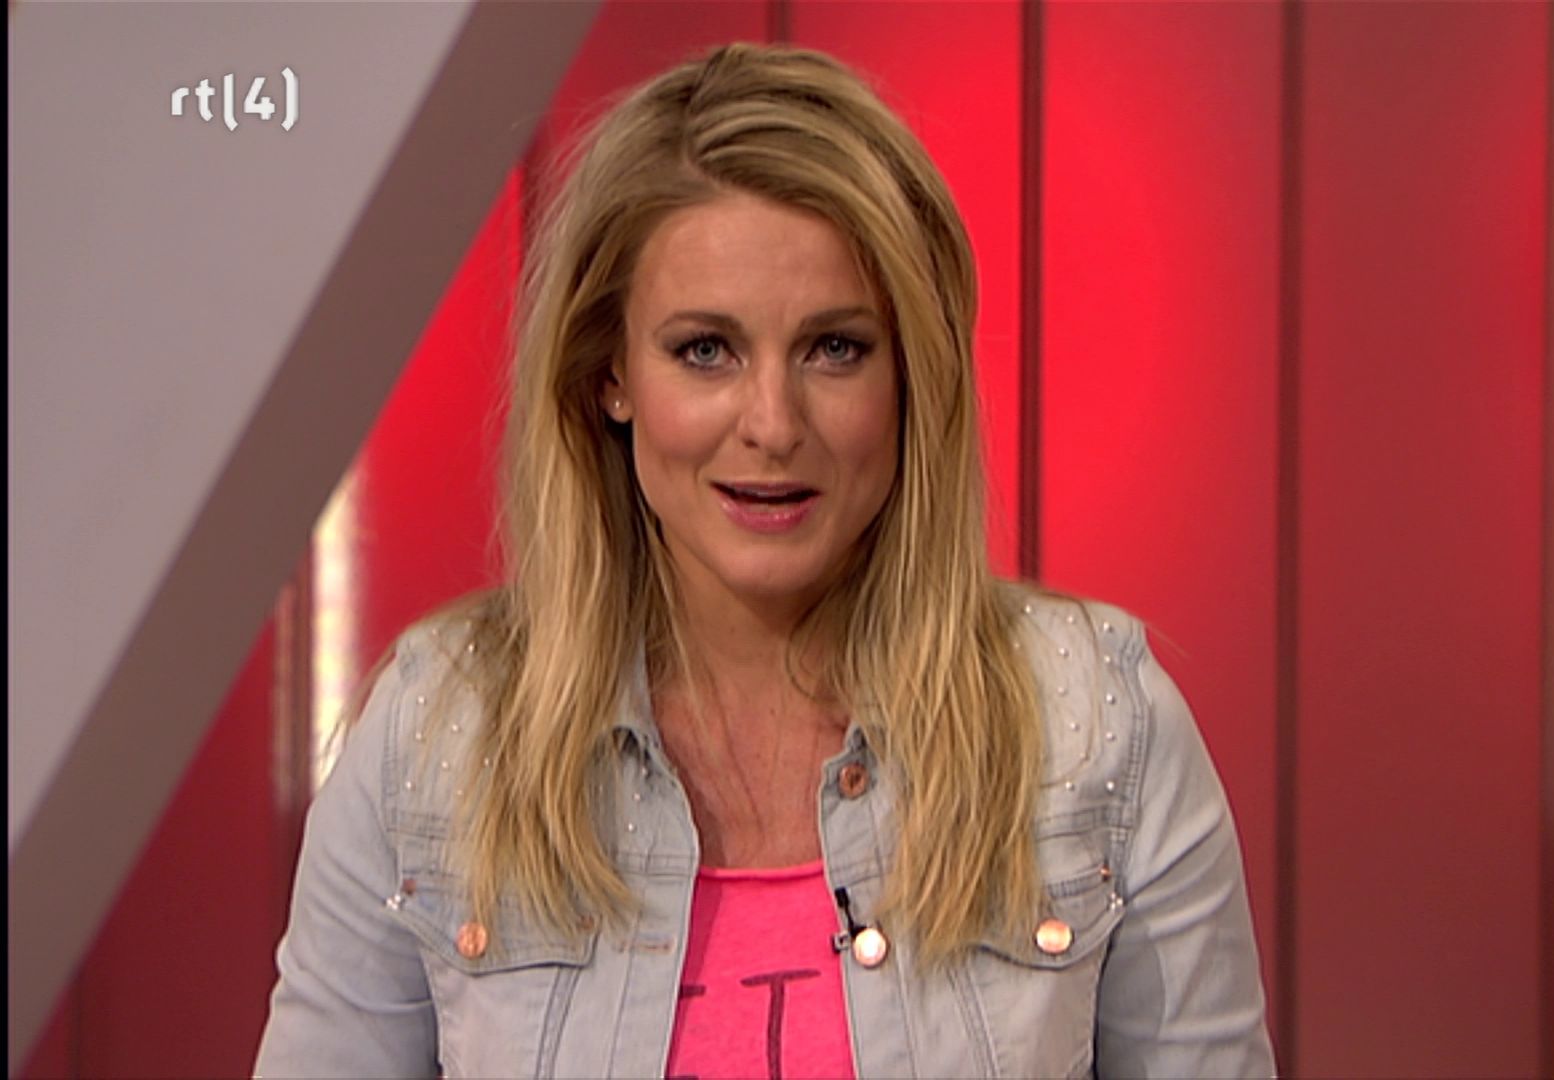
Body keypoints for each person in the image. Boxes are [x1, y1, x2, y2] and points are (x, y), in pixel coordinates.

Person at [254, 41, 1274, 1079]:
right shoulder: (438, 736)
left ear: (911, 377)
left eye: (836, 348)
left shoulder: (1096, 726)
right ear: (609, 374)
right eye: (706, 350)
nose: (774, 425)